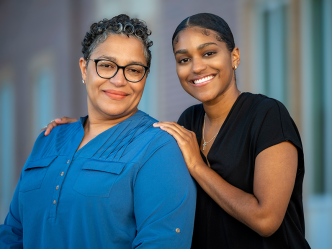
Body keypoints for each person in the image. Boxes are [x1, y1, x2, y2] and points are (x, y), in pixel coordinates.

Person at [39, 13, 311, 249]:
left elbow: (266, 220)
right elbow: (137, 133)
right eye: (184, 59)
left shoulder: (267, 115)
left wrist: (198, 167)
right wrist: (84, 128)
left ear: (234, 56)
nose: (196, 67)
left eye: (209, 53)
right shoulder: (188, 121)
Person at [0, 14, 196, 249]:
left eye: (133, 70)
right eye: (106, 65)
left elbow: (163, 242)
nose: (118, 80)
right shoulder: (48, 140)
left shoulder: (158, 148)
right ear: (84, 69)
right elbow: (12, 233)